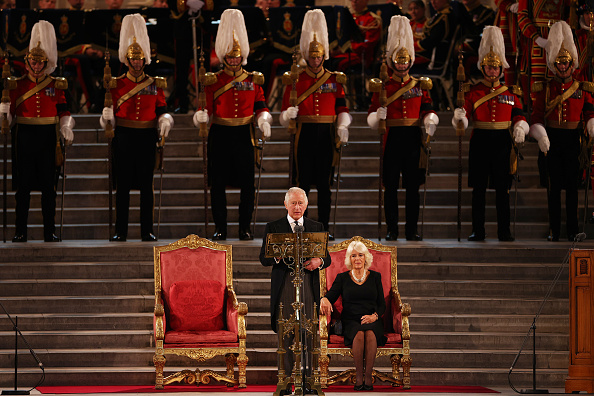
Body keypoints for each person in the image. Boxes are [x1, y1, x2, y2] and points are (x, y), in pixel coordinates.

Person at [193, 9, 272, 241]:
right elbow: (204, 107)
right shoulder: (213, 81)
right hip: (220, 134)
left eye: (237, 56)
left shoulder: (253, 79)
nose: (234, 60)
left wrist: (264, 120)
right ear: (224, 57)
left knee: (248, 185)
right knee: (217, 184)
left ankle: (244, 227)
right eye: (230, 56)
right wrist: (201, 116)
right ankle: (221, 227)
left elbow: (261, 106)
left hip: (244, 134)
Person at [100, 14, 174, 242]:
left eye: (140, 59)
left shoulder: (155, 83)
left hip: (146, 136)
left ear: (145, 60)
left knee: (145, 186)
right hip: (123, 135)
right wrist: (106, 119)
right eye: (134, 60)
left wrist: (165, 121)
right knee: (122, 186)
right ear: (127, 60)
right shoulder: (116, 83)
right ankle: (120, 230)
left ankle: (146, 230)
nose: (137, 63)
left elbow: (162, 109)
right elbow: (108, 113)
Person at [280, 9, 352, 240]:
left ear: (324, 57)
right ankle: (301, 228)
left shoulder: (334, 79)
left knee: (324, 184)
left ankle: (323, 228)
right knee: (302, 185)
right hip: (304, 133)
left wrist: (343, 125)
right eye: (311, 57)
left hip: (326, 134)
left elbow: (342, 107)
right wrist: (288, 114)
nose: (315, 60)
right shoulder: (295, 79)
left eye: (318, 57)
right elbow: (284, 111)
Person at [452, 26, 528, 242]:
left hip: (503, 142)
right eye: (489, 67)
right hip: (481, 141)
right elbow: (464, 116)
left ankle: (504, 231)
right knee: (479, 190)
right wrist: (460, 117)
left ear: (501, 69)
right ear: (482, 67)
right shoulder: (472, 91)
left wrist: (521, 127)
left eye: (496, 68)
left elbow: (519, 114)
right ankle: (478, 230)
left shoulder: (511, 92)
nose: (492, 71)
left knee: (502, 190)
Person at [0, 21, 75, 242]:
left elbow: (64, 111)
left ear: (46, 62)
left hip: (47, 139)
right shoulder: (17, 85)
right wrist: (4, 113)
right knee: (22, 189)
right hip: (23, 136)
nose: (36, 65)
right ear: (27, 62)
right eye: (33, 61)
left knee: (48, 188)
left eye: (40, 62)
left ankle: (48, 231)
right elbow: (10, 118)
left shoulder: (56, 85)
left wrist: (66, 126)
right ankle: (20, 231)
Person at [367, 15, 439, 241]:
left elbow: (428, 108)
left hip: (412, 138)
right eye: (398, 62)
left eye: (405, 61)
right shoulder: (384, 86)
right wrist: (376, 116)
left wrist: (430, 120)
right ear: (392, 62)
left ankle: (411, 230)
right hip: (392, 137)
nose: (402, 65)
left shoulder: (419, 85)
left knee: (412, 188)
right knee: (390, 187)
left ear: (410, 62)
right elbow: (372, 111)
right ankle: (392, 229)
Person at [259, 187, 331, 393]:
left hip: (308, 284)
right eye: (293, 203)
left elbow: (328, 257)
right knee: (286, 334)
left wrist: (319, 261)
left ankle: (309, 381)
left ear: (306, 205)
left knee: (309, 333)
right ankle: (285, 382)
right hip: (285, 285)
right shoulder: (274, 227)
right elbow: (263, 258)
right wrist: (276, 256)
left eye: (301, 203)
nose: (297, 207)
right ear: (286, 205)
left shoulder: (315, 226)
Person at [529, 21, 594, 241]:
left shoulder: (582, 88)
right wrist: (541, 135)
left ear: (572, 63)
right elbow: (536, 117)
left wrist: (591, 125)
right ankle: (554, 230)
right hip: (552, 139)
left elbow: (589, 112)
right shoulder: (545, 89)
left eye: (566, 62)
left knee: (573, 189)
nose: (563, 66)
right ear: (554, 64)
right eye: (559, 62)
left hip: (573, 140)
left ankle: (573, 229)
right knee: (553, 188)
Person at [320, 240, 386, 391]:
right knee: (358, 334)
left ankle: (367, 376)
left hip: (372, 318)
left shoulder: (375, 277)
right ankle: (359, 376)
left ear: (366, 258)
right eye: (353, 255)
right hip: (350, 320)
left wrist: (375, 316)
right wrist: (323, 299)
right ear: (349, 259)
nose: (357, 259)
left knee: (369, 333)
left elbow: (382, 304)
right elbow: (330, 296)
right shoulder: (342, 278)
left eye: (360, 255)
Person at [330, 0, 382, 72]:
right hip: (346, 53)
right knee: (327, 60)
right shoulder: (349, 17)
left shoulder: (372, 19)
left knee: (338, 63)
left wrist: (346, 47)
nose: (354, 1)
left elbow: (368, 44)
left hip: (361, 56)